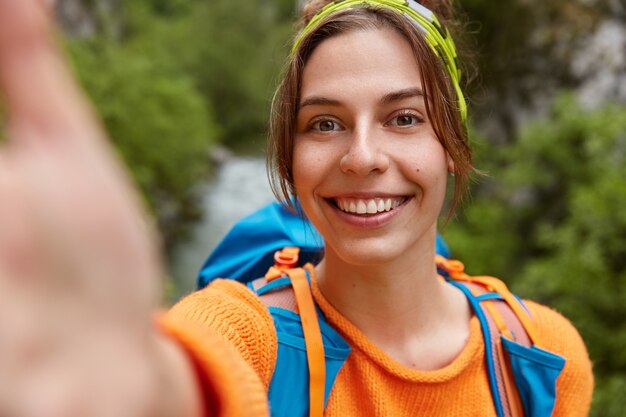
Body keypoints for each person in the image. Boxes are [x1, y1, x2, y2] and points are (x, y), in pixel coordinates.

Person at [0, 0, 593, 416]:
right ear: (290, 157)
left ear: (452, 150)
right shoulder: (250, 335)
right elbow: (181, 377)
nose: (362, 157)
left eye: (404, 118)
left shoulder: (541, 357)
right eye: (325, 123)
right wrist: (122, 371)